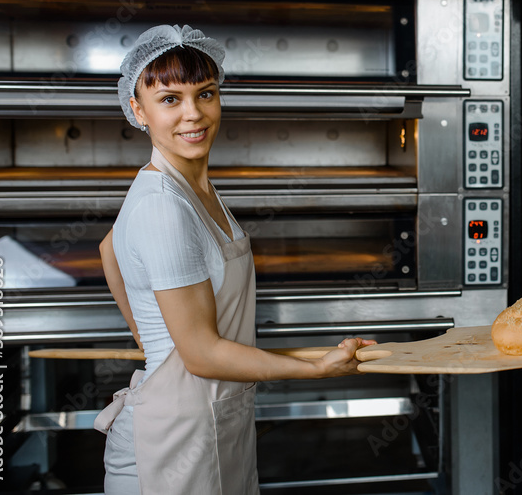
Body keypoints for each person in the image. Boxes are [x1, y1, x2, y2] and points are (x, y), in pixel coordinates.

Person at [94, 24, 375, 495]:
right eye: (169, 99)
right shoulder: (163, 203)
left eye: (205, 94)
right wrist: (317, 369)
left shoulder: (195, 186)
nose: (193, 114)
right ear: (136, 110)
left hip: (214, 425)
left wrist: (156, 341)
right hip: (170, 449)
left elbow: (109, 248)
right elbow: (202, 355)